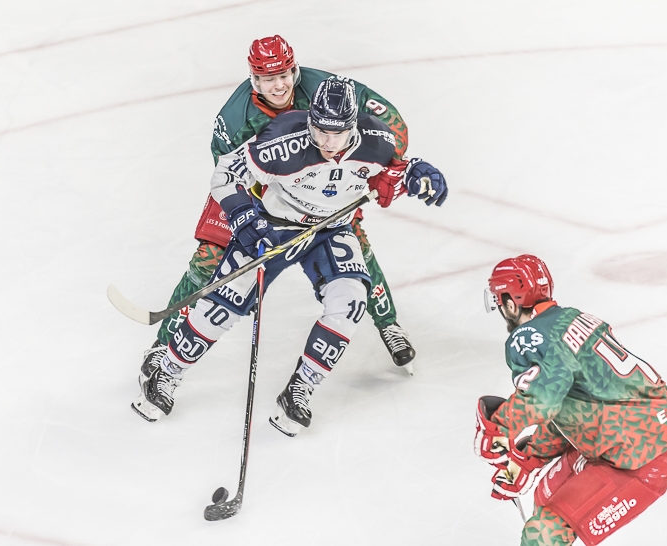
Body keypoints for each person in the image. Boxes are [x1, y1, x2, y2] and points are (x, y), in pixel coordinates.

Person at [132, 77, 447, 438]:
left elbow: (387, 178)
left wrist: (414, 173)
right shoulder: (284, 138)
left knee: (351, 303)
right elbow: (226, 172)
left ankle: (300, 389)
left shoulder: (377, 141)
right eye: (320, 130)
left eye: (337, 133)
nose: (327, 142)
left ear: (354, 125)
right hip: (274, 227)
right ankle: (167, 372)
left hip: (330, 231)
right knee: (223, 306)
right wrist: (240, 212)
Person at [474, 255, 667, 546]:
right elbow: (573, 409)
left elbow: (542, 401)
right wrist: (527, 459)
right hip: (636, 435)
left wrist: (497, 429)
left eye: (501, 301)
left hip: (641, 458)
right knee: (545, 497)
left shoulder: (527, 338)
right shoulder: (571, 317)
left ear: (511, 302)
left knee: (543, 534)